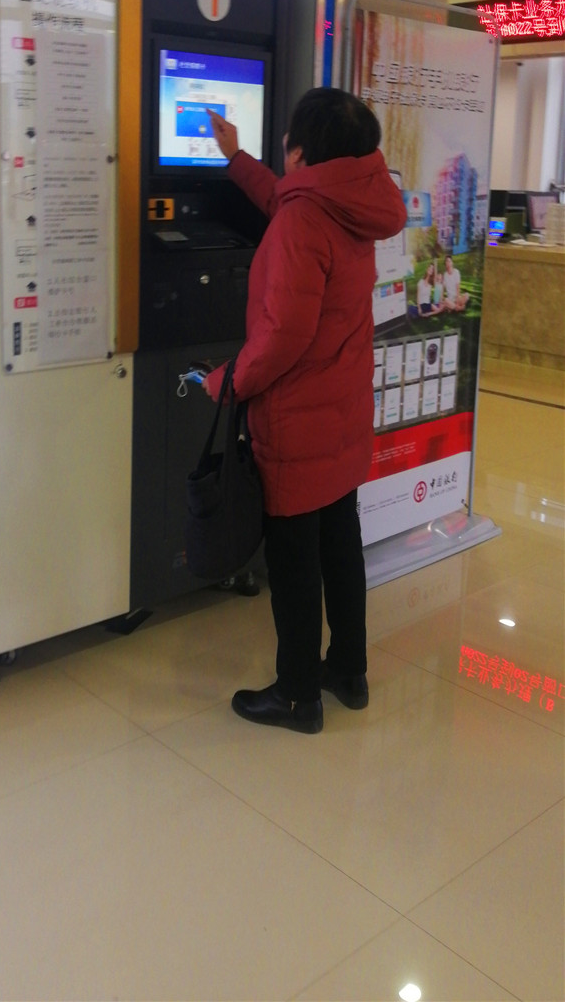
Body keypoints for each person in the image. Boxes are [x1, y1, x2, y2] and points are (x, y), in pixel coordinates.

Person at [202, 88, 407, 734]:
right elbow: (286, 201)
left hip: (297, 420)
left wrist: (227, 382)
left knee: (294, 562)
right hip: (340, 416)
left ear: (299, 152)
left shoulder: (304, 220)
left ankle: (296, 696)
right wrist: (237, 159)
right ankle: (347, 671)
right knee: (341, 545)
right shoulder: (351, 204)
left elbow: (281, 339)